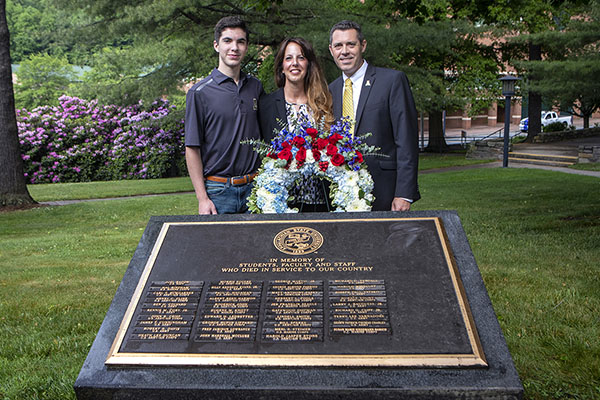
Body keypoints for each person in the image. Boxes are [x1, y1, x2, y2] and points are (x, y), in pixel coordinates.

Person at [328, 20, 420, 212]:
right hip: (341, 193)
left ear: (363, 45)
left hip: (385, 192)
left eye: (350, 44)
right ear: (331, 50)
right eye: (338, 46)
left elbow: (406, 140)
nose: (344, 51)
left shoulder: (392, 81)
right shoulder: (330, 91)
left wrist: (404, 193)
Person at [185, 16, 263, 214]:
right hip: (218, 192)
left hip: (255, 188)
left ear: (246, 47)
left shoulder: (255, 87)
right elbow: (192, 148)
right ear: (216, 45)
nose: (234, 47)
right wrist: (202, 198)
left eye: (240, 41)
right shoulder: (200, 92)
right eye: (227, 41)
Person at [259, 37, 334, 212]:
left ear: (308, 64)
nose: (295, 63)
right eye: (289, 58)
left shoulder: (324, 102)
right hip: (282, 203)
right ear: (281, 67)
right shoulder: (266, 105)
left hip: (322, 201)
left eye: (301, 58)